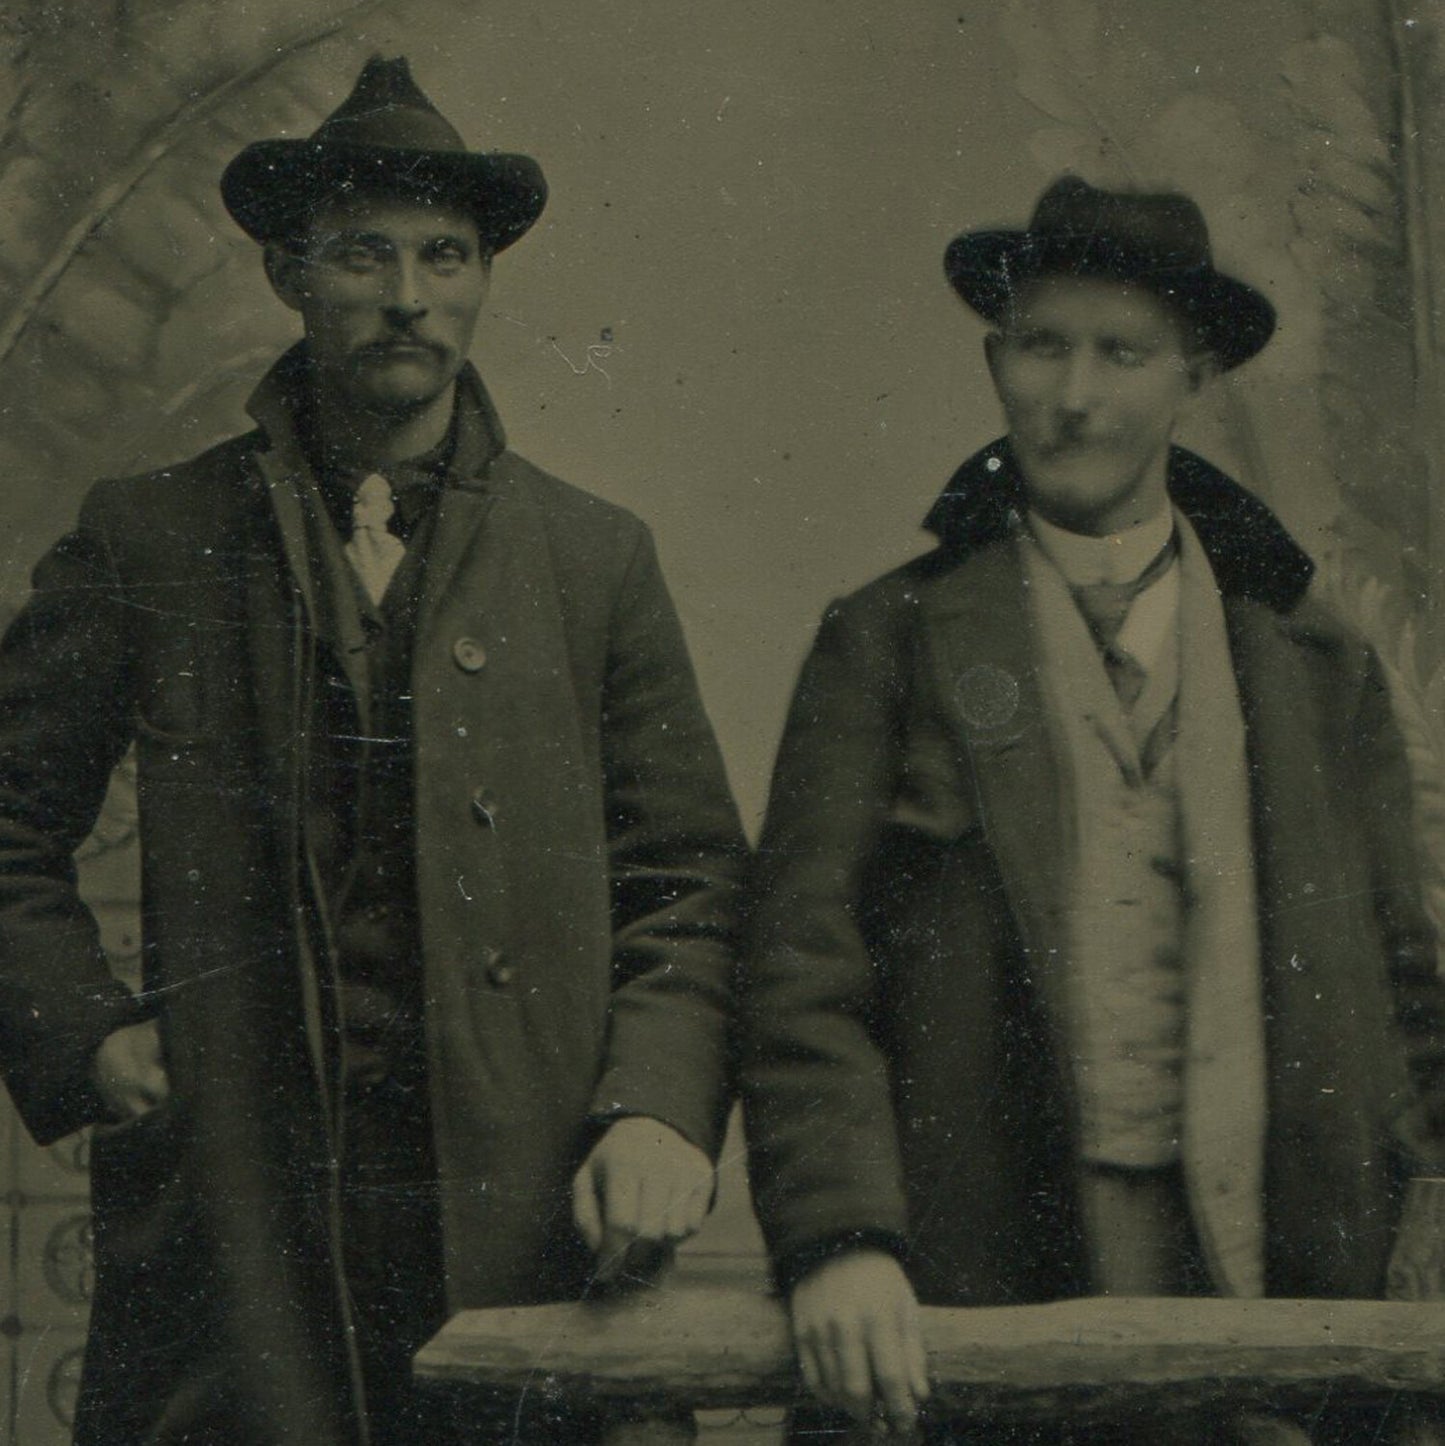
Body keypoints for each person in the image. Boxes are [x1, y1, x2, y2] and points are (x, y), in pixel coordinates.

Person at [0, 56, 746, 1445]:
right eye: (364, 254)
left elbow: (692, 888)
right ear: (291, 271)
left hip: (525, 1232)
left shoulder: (592, 562)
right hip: (242, 1240)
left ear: (480, 279)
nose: (408, 294)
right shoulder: (152, 539)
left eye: (443, 256)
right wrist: (82, 1031)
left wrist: (655, 1110)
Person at [738, 176, 1445, 1443]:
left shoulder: (1310, 664)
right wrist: (841, 1237)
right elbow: (801, 970)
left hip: (1268, 1252)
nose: (1072, 397)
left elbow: (1400, 982)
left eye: (1120, 354)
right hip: (985, 1253)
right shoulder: (887, 640)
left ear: (1197, 375)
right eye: (1039, 346)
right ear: (994, 359)